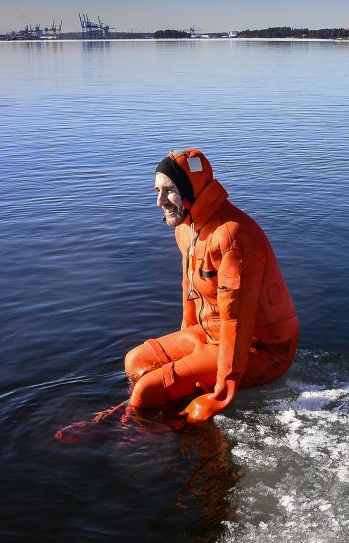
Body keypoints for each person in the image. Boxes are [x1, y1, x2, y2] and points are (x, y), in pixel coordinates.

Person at [124, 148, 299, 423]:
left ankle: (136, 435)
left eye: (168, 190)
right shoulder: (186, 227)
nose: (159, 201)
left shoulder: (232, 236)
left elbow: (236, 320)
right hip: (210, 333)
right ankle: (141, 417)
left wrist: (221, 395)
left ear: (190, 189)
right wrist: (185, 342)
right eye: (156, 190)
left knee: (146, 391)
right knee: (135, 362)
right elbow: (188, 286)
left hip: (261, 348)